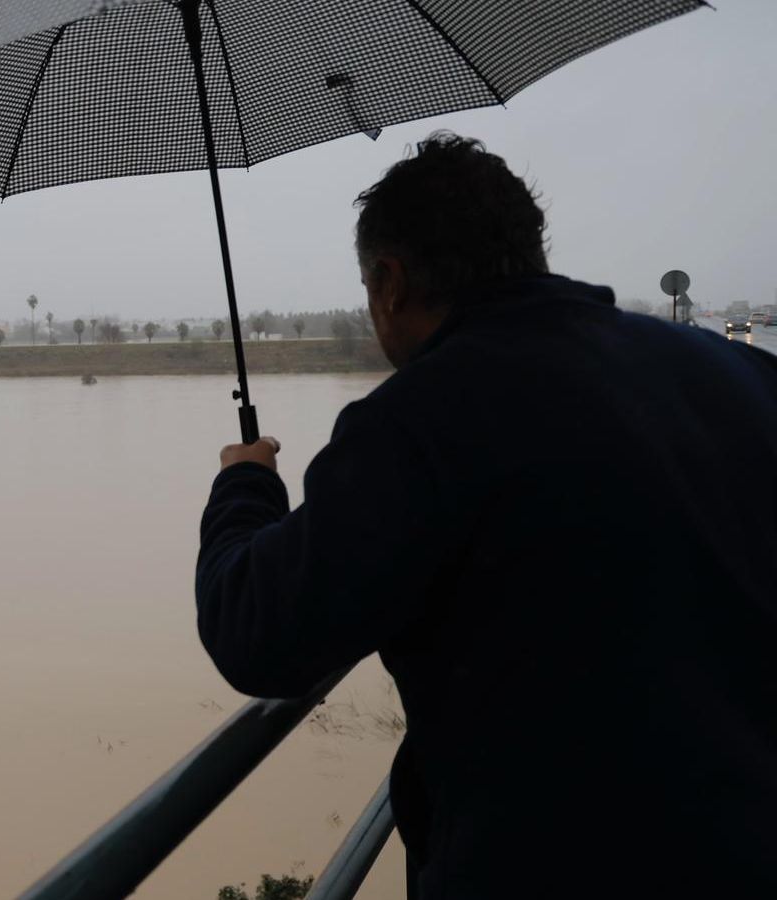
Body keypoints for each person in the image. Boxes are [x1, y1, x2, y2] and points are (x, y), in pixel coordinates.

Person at [195, 133, 777, 898]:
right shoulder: (740, 373)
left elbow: (258, 633)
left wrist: (246, 487)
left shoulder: (423, 419)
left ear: (390, 282)